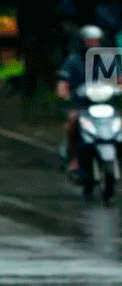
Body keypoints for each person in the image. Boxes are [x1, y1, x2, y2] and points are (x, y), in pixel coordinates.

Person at [57, 25, 103, 178]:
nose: (92, 44)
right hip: (80, 106)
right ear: (83, 41)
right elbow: (63, 83)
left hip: (104, 106)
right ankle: (75, 159)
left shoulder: (107, 61)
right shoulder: (73, 60)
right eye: (89, 41)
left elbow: (118, 80)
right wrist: (64, 92)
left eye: (95, 41)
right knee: (73, 122)